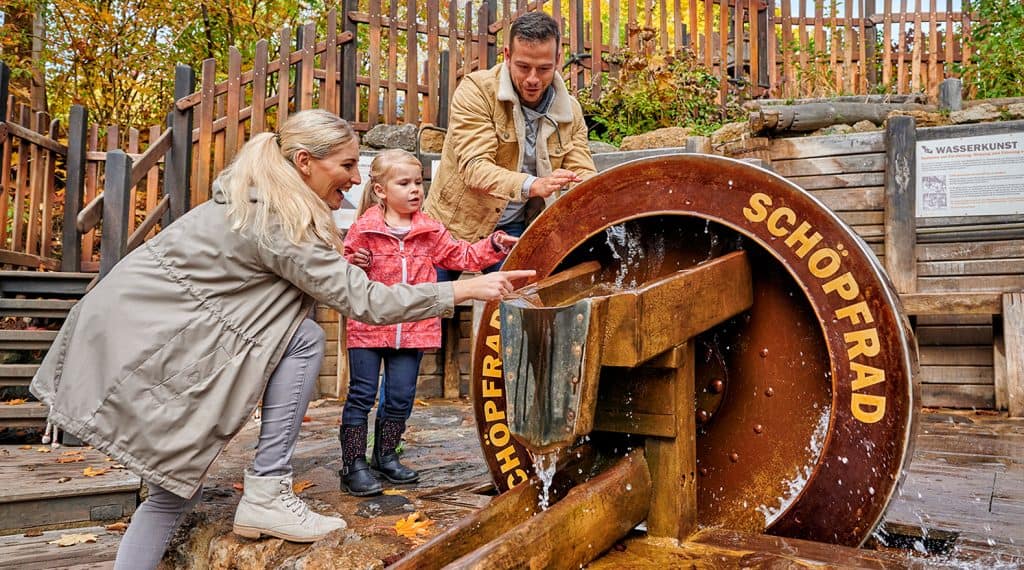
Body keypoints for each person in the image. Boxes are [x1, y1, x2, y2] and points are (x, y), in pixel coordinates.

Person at [29, 110, 533, 570]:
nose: (356, 179)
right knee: (306, 349)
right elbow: (365, 301)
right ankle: (269, 489)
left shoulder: (269, 201)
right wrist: (463, 289)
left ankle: (273, 489)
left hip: (158, 334)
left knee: (173, 488)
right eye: (349, 165)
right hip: (146, 339)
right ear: (305, 162)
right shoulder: (278, 223)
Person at [339, 149, 518, 496]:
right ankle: (353, 464)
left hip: (415, 328)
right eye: (403, 183)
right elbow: (343, 273)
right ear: (380, 190)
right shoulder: (364, 230)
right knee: (362, 394)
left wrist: (494, 244)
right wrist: (354, 262)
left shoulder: (430, 229)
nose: (414, 190)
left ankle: (386, 455)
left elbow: (463, 256)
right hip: (368, 328)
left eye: (418, 182)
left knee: (401, 396)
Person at [424, 11, 597, 279]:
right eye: (523, 66)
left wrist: (593, 194)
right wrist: (533, 185)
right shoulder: (476, 91)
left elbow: (583, 173)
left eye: (543, 69)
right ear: (506, 55)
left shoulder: (570, 111)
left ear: (558, 60)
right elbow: (474, 167)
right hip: (453, 226)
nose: (532, 79)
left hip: (512, 231)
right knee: (430, 312)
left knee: (518, 306)